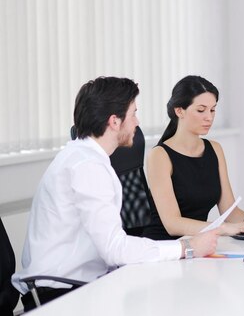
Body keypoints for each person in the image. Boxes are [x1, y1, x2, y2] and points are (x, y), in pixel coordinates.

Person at [12, 77, 220, 311]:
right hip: (62, 296)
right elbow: (114, 249)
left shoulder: (84, 158)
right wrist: (187, 248)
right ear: (114, 121)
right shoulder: (87, 167)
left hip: (82, 285)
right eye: (133, 114)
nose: (137, 123)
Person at [142, 76, 244, 240]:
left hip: (196, 245)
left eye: (212, 110)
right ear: (179, 111)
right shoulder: (159, 155)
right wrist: (225, 228)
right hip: (163, 247)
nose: (209, 117)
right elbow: (173, 224)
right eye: (201, 110)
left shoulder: (215, 149)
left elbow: (229, 210)